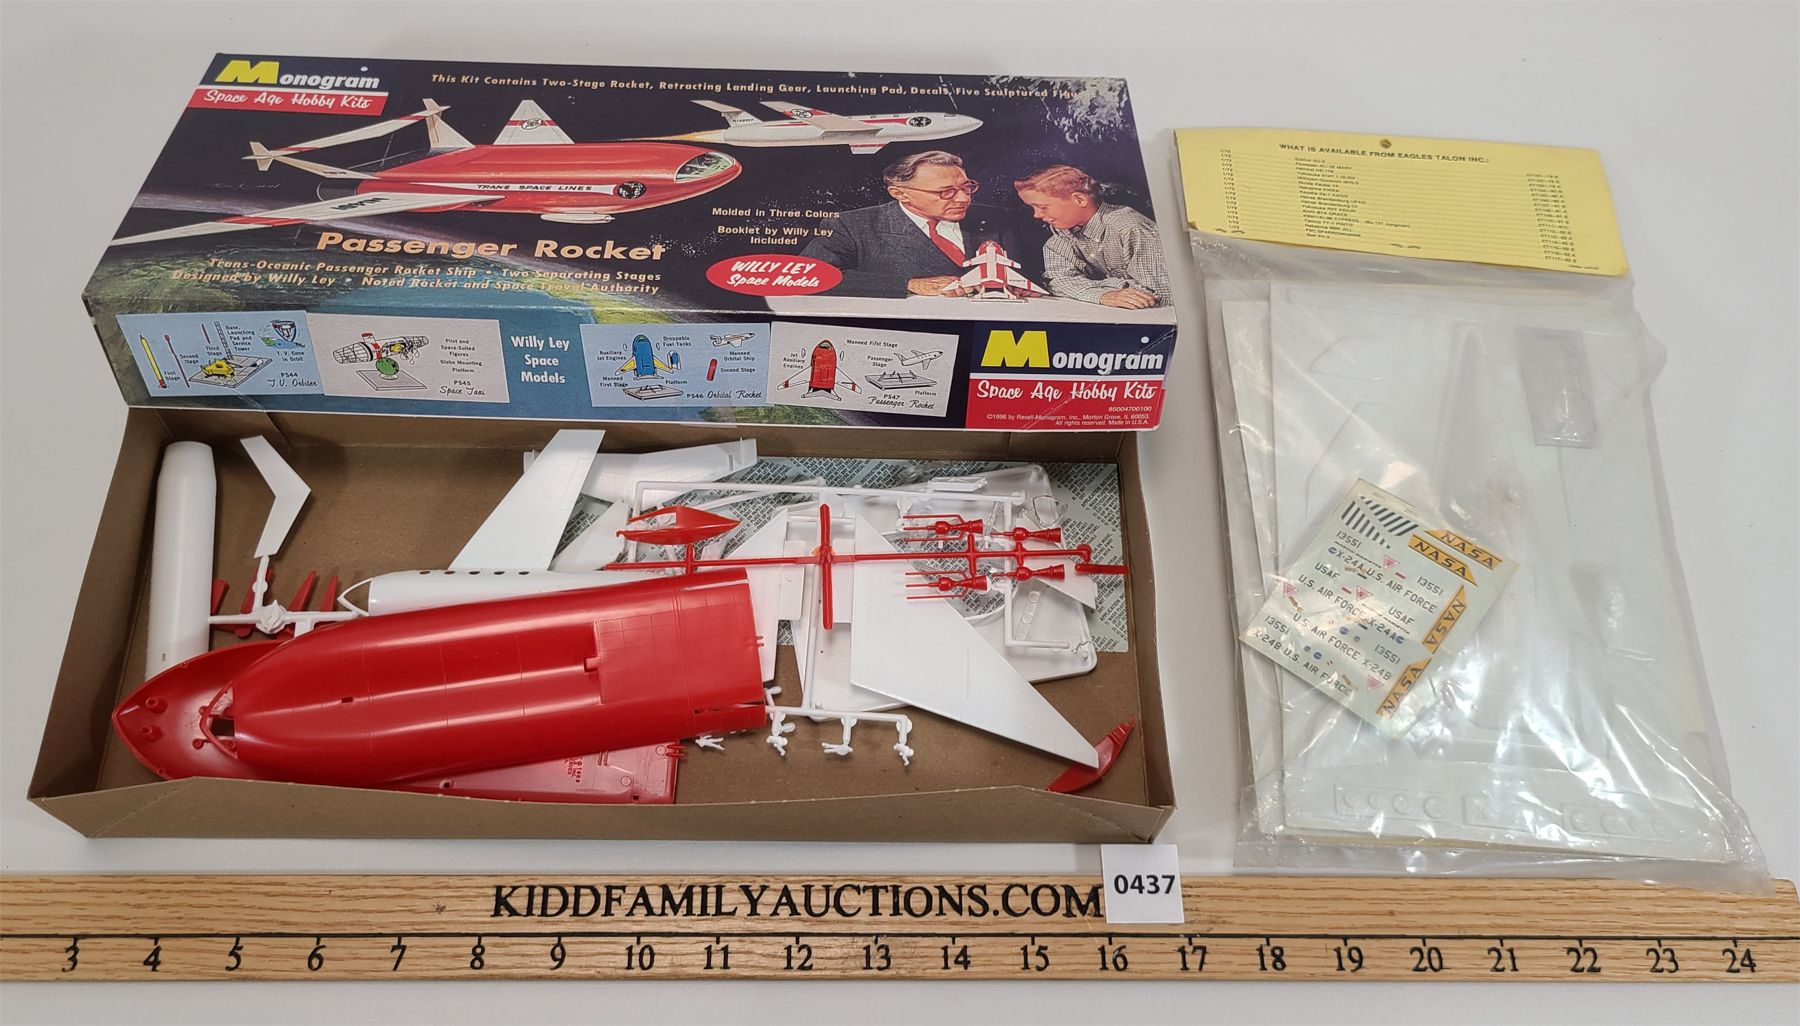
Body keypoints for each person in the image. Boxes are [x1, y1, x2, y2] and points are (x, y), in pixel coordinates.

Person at [802, 151, 1017, 299]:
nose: (964, 198)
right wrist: (909, 284)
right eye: (946, 192)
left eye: (967, 187)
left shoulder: (999, 219)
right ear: (900, 193)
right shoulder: (852, 225)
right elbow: (808, 276)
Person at [1013, 165, 1169, 309]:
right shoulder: (1061, 236)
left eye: (1042, 207)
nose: (1036, 215)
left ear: (1080, 200)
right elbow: (1058, 281)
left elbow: (1161, 296)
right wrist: (1105, 294)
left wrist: (1091, 288)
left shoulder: (1130, 228)